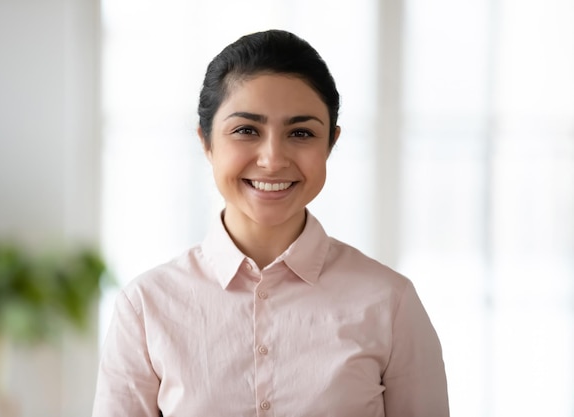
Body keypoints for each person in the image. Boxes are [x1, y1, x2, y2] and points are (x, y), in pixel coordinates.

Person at [92, 29, 449, 417]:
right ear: (206, 142)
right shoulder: (146, 307)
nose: (273, 159)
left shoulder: (389, 303)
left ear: (331, 143)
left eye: (301, 133)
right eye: (247, 130)